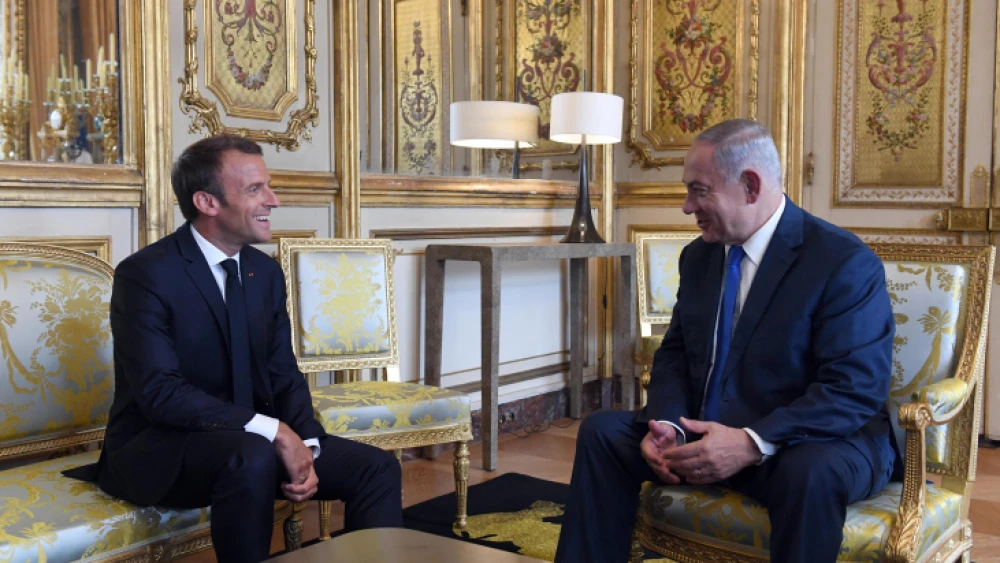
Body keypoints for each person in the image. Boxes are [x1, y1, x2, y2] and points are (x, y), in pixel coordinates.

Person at [554, 119, 899, 563]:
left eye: (699, 190)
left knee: (809, 473)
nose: (685, 206)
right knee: (602, 433)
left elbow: (854, 390)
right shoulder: (698, 257)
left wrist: (750, 443)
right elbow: (675, 354)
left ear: (750, 186)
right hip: (708, 436)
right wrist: (669, 429)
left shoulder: (842, 262)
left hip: (807, 442)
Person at [66, 135, 403, 562]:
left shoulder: (264, 272)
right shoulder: (146, 275)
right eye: (254, 189)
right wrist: (276, 431)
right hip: (164, 448)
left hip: (250, 444)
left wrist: (308, 445)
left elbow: (283, 373)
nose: (273, 201)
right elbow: (161, 394)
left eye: (268, 186)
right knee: (252, 456)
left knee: (376, 468)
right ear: (207, 203)